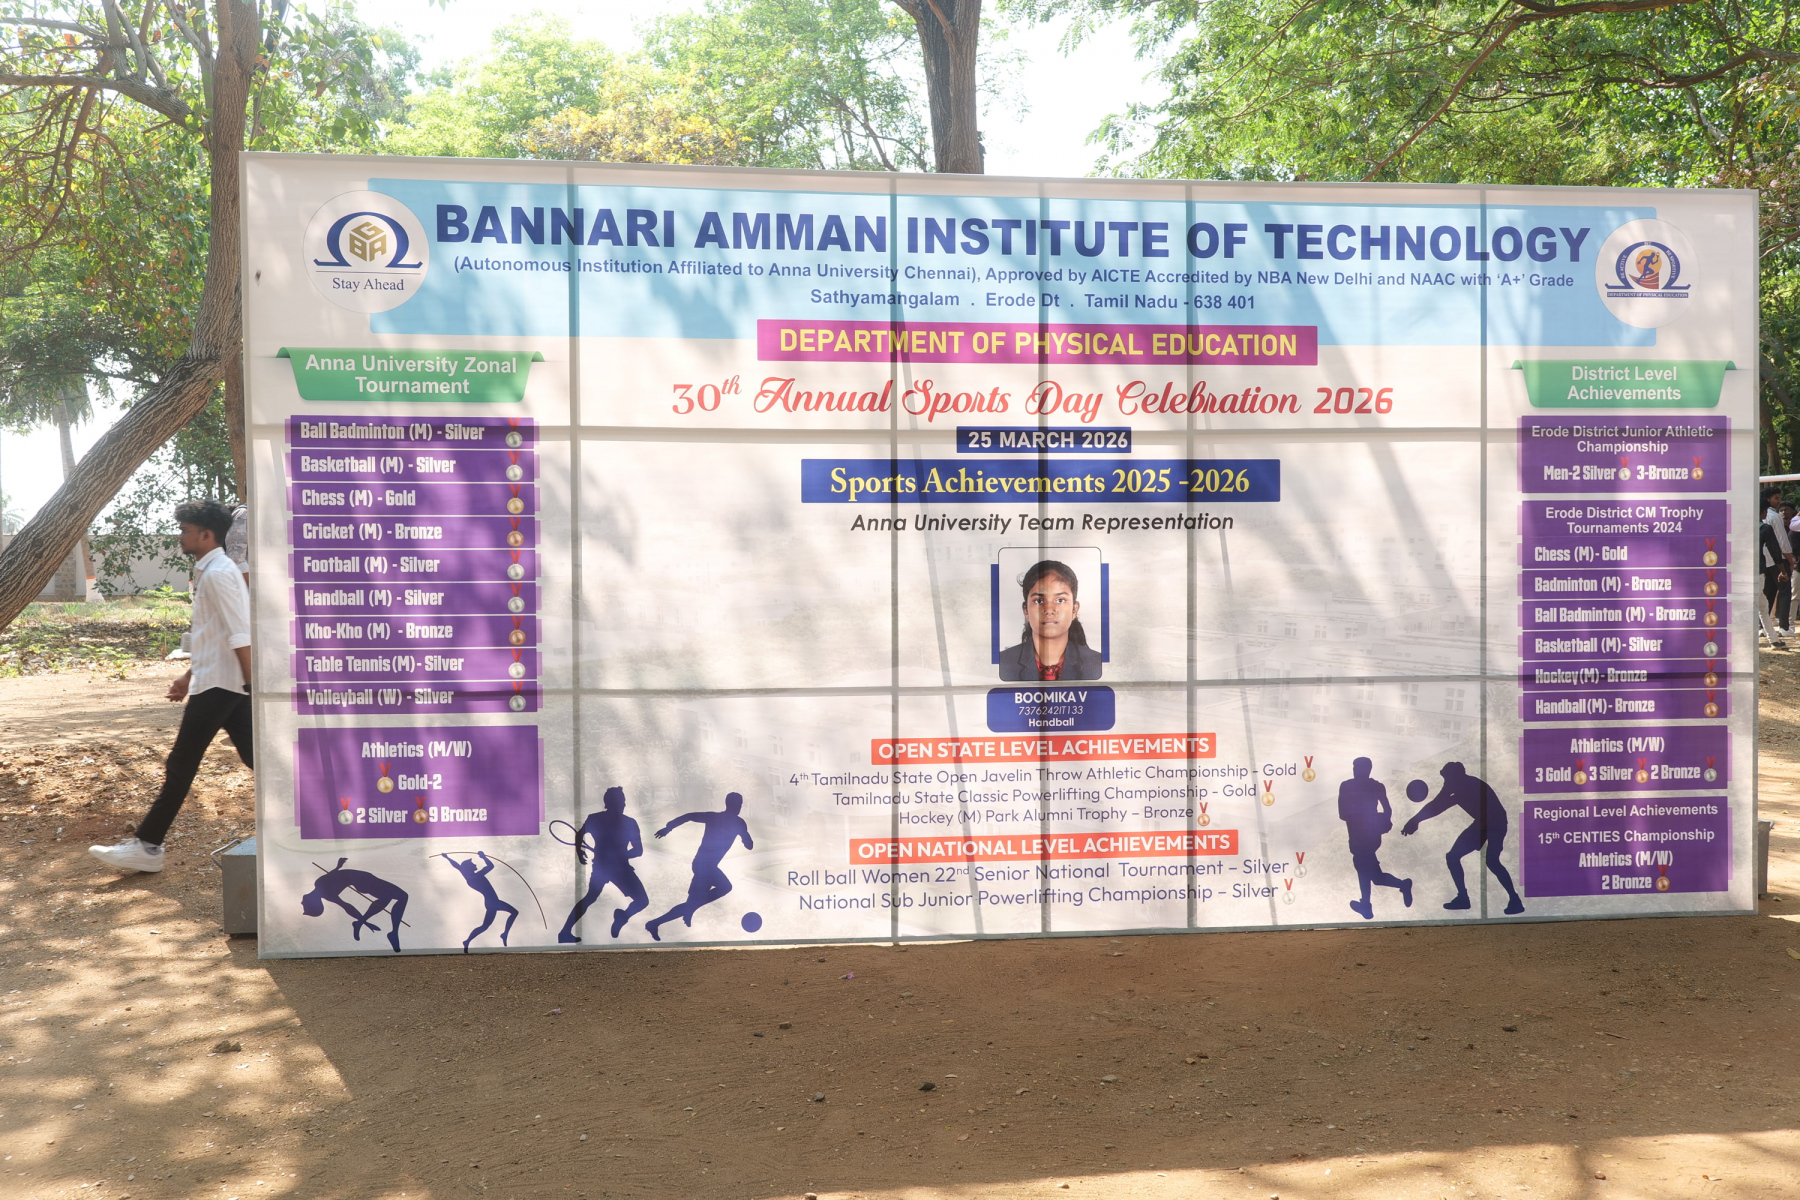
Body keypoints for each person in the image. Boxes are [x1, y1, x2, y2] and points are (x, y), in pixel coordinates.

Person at [89, 499, 251, 873]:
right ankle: (323, 806)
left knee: (181, 762)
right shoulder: (213, 570)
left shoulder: (219, 573)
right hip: (222, 682)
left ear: (206, 535)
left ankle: (147, 847)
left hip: (222, 686)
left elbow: (241, 633)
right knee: (256, 756)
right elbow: (214, 635)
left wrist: (251, 683)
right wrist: (189, 675)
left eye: (185, 530)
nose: (180, 536)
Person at [1401, 762, 1525, 915]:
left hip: (1495, 822)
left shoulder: (1466, 785)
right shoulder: (1456, 786)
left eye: (1446, 778)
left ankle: (1514, 899)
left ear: (1455, 776)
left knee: (1491, 861)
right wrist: (1415, 820)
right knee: (1454, 857)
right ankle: (1464, 898)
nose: (1445, 782)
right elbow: (1437, 804)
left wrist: (1415, 820)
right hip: (1483, 823)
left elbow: (1438, 805)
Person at [644, 791, 754, 941]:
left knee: (691, 903)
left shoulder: (728, 821)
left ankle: (659, 922)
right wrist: (668, 828)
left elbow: (689, 816)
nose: (739, 807)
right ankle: (664, 919)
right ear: (735, 805)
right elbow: (749, 845)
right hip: (704, 866)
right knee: (724, 888)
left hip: (704, 865)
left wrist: (668, 828)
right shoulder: (730, 821)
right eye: (739, 804)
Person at [557, 786, 650, 942]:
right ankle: (622, 917)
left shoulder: (596, 819)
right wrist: (580, 851)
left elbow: (579, 835)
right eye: (621, 801)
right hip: (617, 869)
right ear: (613, 803)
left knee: (590, 898)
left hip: (607, 868)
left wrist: (580, 852)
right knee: (641, 901)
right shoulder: (628, 822)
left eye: (623, 801)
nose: (624, 804)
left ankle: (565, 932)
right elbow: (638, 851)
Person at [997, 560, 1102, 681]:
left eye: (1060, 600)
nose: (1049, 610)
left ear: (1074, 610)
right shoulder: (1002, 663)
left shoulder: (1097, 664)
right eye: (1039, 601)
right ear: (1026, 611)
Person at [1337, 757, 1412, 919]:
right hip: (1368, 835)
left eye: (1358, 767)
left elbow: (1344, 814)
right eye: (1354, 767)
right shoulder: (1373, 786)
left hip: (1363, 835)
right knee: (1373, 875)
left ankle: (1366, 905)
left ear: (1367, 769)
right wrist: (1381, 820)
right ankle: (1401, 885)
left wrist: (1379, 821)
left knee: (1363, 867)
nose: (1355, 770)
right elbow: (1387, 810)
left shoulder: (1349, 786)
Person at [300, 858, 409, 953]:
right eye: (304, 905)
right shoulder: (323, 889)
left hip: (361, 879)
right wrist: (365, 922)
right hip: (363, 880)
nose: (301, 903)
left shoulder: (324, 891)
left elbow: (334, 878)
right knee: (402, 896)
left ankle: (363, 925)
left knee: (387, 897)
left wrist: (338, 866)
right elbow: (348, 907)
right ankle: (393, 932)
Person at [448, 851, 518, 952]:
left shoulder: (469, 878)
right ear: (469, 867)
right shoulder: (478, 876)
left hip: (490, 902)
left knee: (485, 926)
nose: (475, 864)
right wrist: (483, 857)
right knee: (514, 912)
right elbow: (491, 866)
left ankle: (467, 941)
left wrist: (447, 858)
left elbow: (457, 866)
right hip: (493, 902)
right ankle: (504, 933)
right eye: (473, 864)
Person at [1760, 492, 1788, 649]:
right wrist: (1783, 570)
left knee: (1763, 604)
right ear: (1764, 511)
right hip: (1759, 570)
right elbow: (1776, 550)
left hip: (1743, 570)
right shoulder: (1765, 528)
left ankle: (1772, 639)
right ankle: (1776, 637)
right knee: (1762, 605)